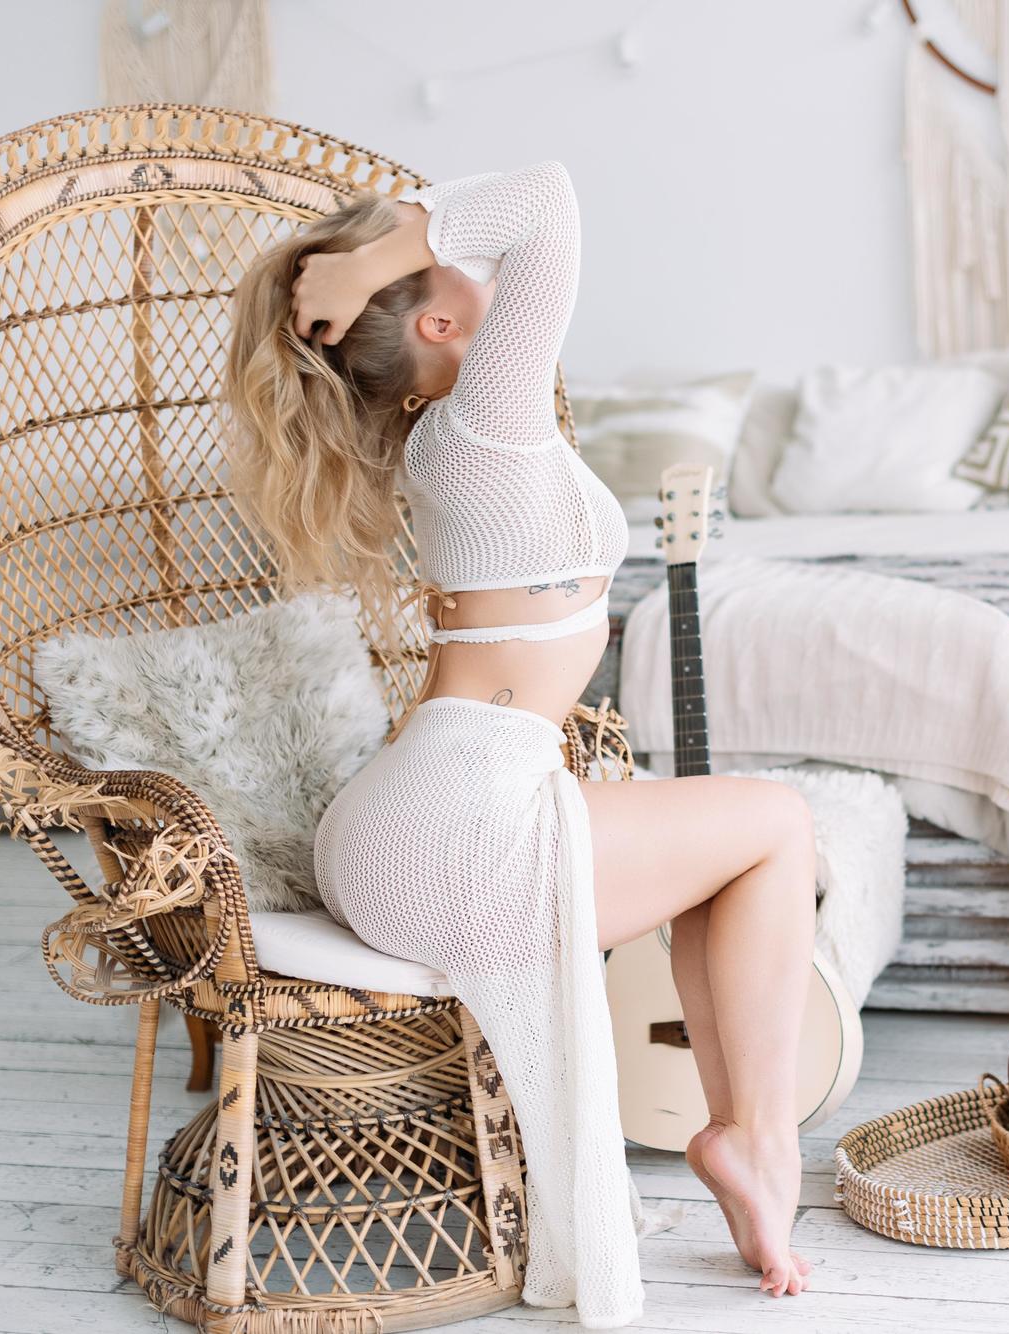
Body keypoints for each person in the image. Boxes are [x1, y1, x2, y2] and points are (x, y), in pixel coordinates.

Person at [220, 160, 815, 1326]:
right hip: (460, 824)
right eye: (450, 267)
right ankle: (757, 1137)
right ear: (440, 326)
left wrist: (379, 258)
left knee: (725, 850)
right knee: (780, 824)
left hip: (396, 826)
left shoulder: (445, 438)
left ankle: (742, 1133)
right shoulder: (487, 418)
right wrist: (368, 257)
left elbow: (511, 226)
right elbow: (544, 198)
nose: (474, 265)